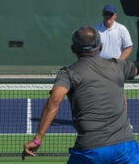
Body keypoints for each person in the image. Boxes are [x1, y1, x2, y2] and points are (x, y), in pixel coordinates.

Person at [23, 26, 139, 163]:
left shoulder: (68, 73)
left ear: (73, 49)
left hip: (89, 151)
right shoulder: (119, 66)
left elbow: (54, 101)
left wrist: (37, 140)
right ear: (100, 47)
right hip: (125, 149)